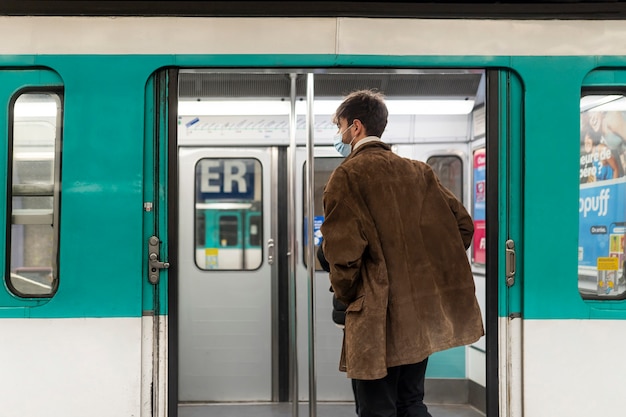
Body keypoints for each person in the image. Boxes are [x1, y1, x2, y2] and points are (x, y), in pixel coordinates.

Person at [321, 89, 484, 417]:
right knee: (411, 401)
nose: (338, 135)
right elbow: (462, 227)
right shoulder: (418, 171)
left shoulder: (348, 175)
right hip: (418, 314)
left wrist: (353, 295)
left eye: (339, 126)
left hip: (374, 319)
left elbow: (343, 254)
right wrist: (427, 271)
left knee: (377, 407)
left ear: (355, 128)